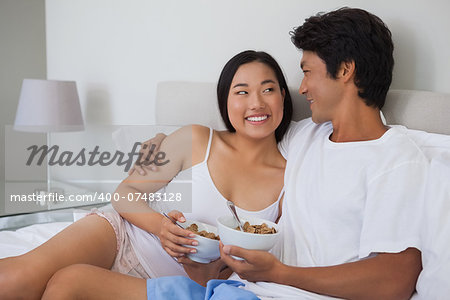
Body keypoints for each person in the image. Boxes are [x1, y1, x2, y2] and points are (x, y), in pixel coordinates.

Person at [110, 7, 428, 300]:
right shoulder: (307, 135)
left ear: (345, 70)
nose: (301, 89)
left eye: (307, 71)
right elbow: (248, 132)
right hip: (243, 286)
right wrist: (161, 140)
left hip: (281, 290)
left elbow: (395, 280)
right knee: (72, 281)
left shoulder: (395, 158)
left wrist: (279, 273)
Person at [0, 50, 293, 299]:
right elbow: (125, 194)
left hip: (169, 285)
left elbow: (244, 269)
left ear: (282, 95)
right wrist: (161, 228)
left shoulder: (289, 181)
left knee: (65, 287)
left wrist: (205, 273)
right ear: (225, 100)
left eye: (267, 89)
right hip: (124, 236)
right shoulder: (196, 139)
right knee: (16, 280)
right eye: (241, 91)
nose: (256, 103)